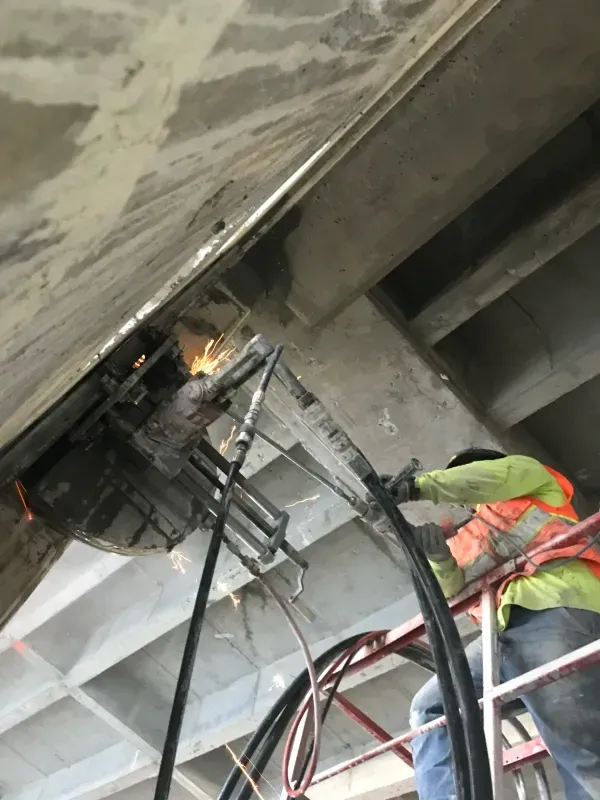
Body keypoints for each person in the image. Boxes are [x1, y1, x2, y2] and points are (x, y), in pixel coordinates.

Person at [390, 448, 600, 800]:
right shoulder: (469, 533)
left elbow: (488, 478)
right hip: (500, 636)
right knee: (429, 708)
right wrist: (440, 560)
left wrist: (418, 487)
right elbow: (450, 593)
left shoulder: (530, 477)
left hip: (554, 608)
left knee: (577, 750)